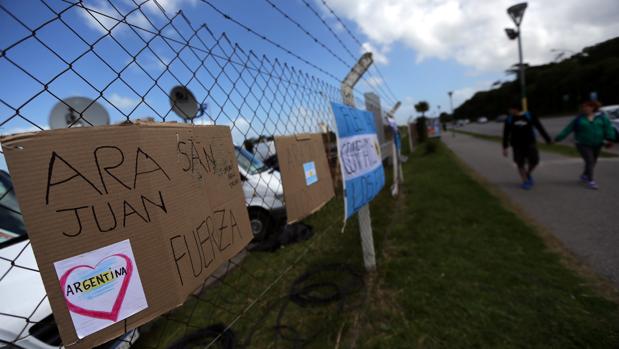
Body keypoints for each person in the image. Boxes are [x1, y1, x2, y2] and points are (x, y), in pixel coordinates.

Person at [554, 100, 616, 190]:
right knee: (590, 160)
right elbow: (568, 129)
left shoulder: (602, 118)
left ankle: (584, 175)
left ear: (593, 107)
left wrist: (610, 138)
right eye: (583, 107)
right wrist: (557, 138)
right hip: (582, 144)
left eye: (587, 107)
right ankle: (591, 181)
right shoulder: (579, 119)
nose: (585, 108)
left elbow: (608, 128)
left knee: (593, 161)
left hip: (598, 144)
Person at [502, 102, 552, 189]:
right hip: (517, 145)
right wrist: (505, 147)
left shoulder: (530, 115)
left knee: (535, 161)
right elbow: (506, 134)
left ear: (516, 109)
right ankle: (525, 181)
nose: (509, 111)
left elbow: (540, 127)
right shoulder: (509, 119)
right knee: (520, 163)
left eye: (510, 109)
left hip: (530, 143)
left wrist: (547, 139)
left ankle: (528, 174)